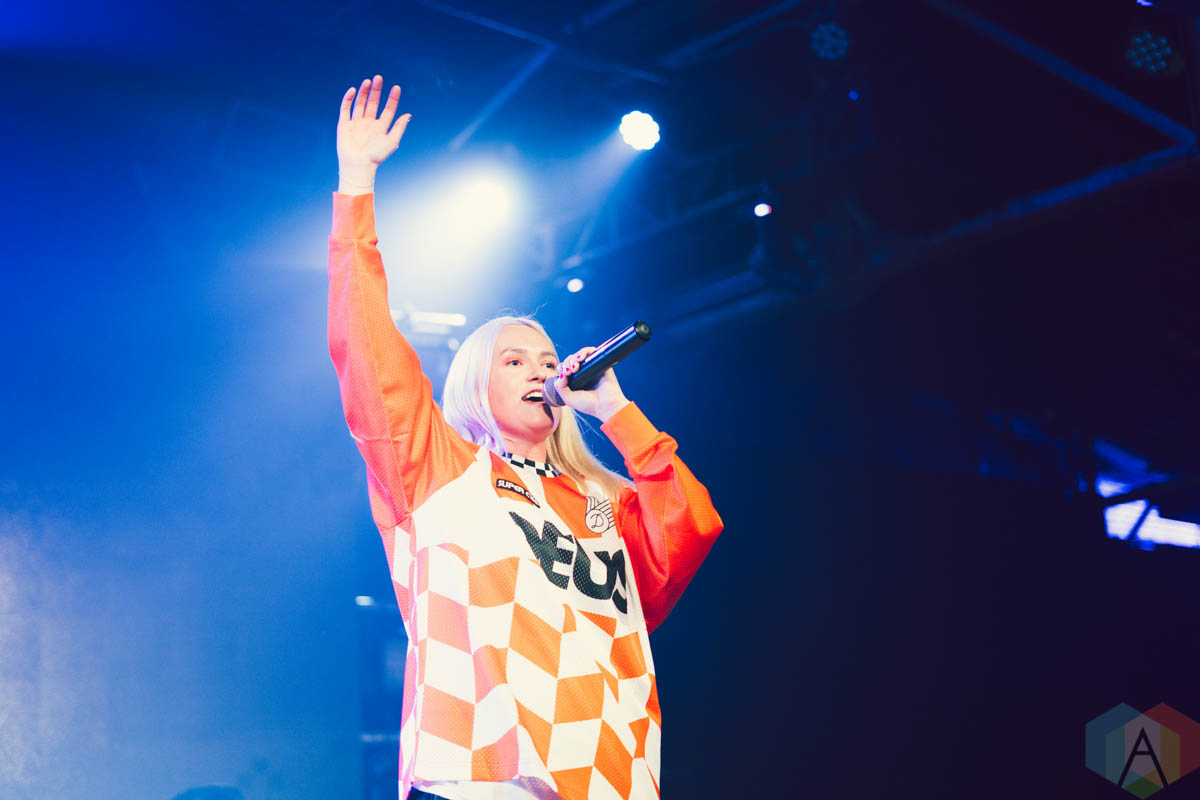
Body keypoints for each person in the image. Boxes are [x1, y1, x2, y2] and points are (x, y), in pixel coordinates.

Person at [328, 74, 723, 800]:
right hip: (480, 773)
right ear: (475, 386)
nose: (540, 370)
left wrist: (617, 412)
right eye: (514, 361)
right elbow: (367, 348)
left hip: (607, 778)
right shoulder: (440, 469)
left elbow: (690, 529)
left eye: (548, 360)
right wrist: (356, 185)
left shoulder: (599, 503)